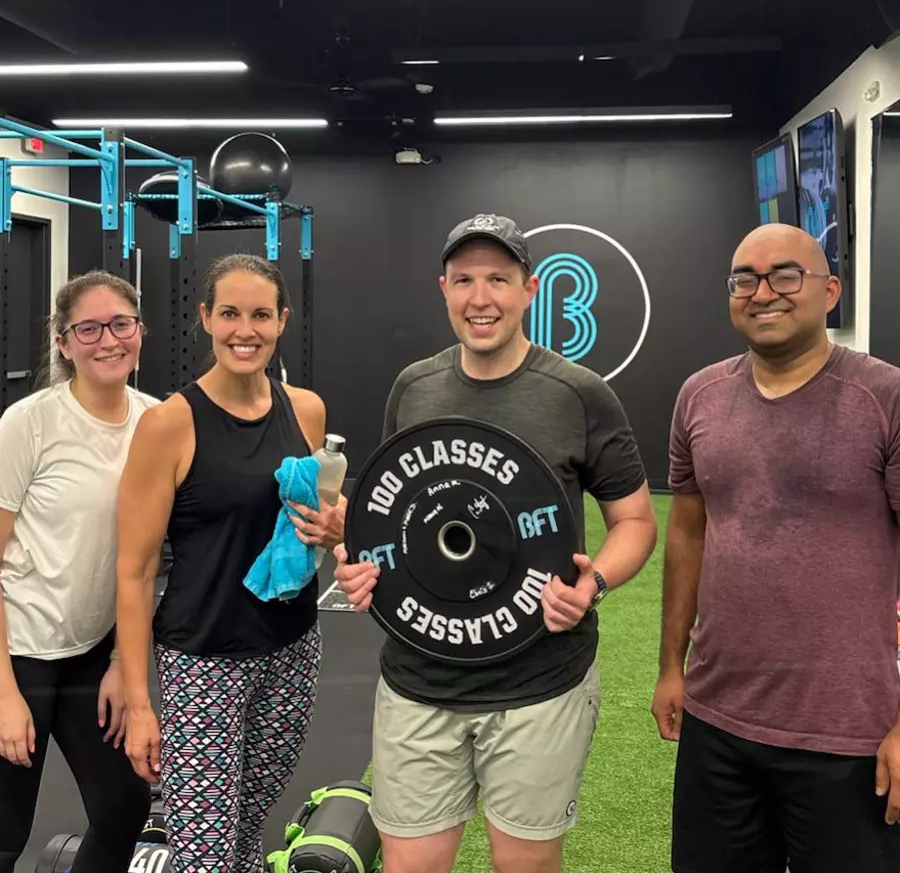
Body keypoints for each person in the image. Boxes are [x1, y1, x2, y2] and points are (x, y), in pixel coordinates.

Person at [332, 214, 658, 873]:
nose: (480, 298)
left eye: (499, 280)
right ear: (443, 290)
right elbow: (388, 521)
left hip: (540, 683)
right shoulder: (414, 388)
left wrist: (593, 583)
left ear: (530, 289)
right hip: (420, 681)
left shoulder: (578, 393)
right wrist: (361, 568)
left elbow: (636, 522)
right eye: (464, 281)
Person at [651, 222, 900, 873]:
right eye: (745, 279)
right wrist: (671, 667)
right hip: (717, 720)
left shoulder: (885, 397)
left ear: (830, 292)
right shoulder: (699, 396)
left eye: (786, 276)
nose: (763, 293)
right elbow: (688, 532)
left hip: (848, 732)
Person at [115, 254, 344, 873]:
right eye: (231, 314)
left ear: (282, 321)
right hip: (203, 663)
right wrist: (140, 705)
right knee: (203, 856)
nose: (246, 330)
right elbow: (134, 573)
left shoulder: (307, 410)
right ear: (206, 318)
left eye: (261, 315)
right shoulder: (168, 425)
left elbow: (316, 522)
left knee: (246, 834)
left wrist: (337, 530)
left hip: (291, 649)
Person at [0, 271, 155, 873]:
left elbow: (142, 561)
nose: (108, 340)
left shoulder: (156, 422)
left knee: (123, 808)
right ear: (63, 343)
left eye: (121, 324)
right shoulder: (28, 423)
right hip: (19, 651)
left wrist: (121, 661)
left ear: (140, 331)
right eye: (88, 329)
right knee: (6, 833)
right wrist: (4, 695)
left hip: (93, 651)